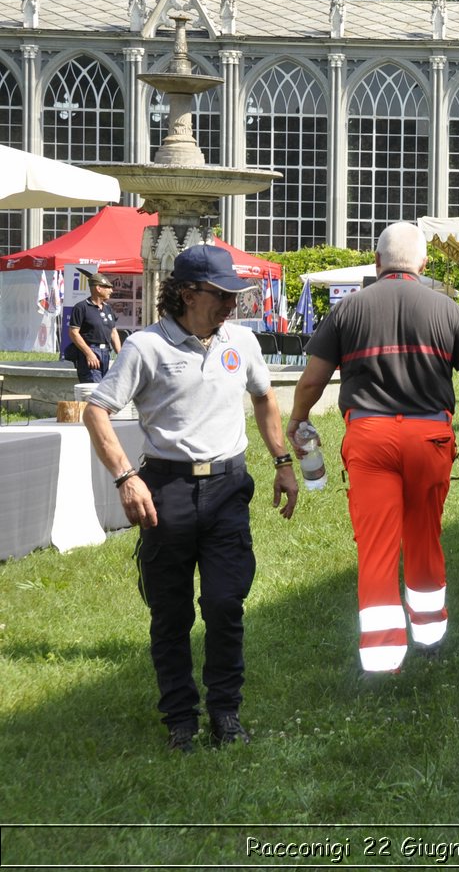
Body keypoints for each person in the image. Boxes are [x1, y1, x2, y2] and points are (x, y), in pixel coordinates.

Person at [82, 243, 299, 753]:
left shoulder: (241, 341)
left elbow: (265, 397)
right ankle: (181, 719)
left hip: (228, 490)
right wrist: (124, 477)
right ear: (184, 293)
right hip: (167, 492)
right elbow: (97, 411)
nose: (231, 303)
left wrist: (283, 462)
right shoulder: (145, 347)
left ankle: (226, 713)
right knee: (172, 613)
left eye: (234, 294)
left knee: (226, 604)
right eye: (221, 294)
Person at [288, 222, 459, 675]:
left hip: (370, 437)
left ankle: (382, 658)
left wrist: (297, 419)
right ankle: (429, 636)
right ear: (422, 264)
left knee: (377, 546)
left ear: (377, 262)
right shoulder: (445, 308)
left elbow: (311, 380)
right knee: (424, 537)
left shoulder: (347, 310)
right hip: (429, 438)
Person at [67, 272, 122, 383]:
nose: (111, 291)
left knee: (102, 389)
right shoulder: (81, 307)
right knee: (92, 389)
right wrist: (89, 353)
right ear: (98, 288)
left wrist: (121, 355)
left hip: (106, 352)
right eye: (108, 288)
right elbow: (73, 333)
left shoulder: (108, 309)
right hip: (91, 351)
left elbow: (113, 332)